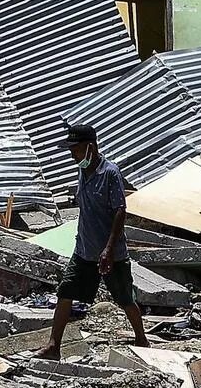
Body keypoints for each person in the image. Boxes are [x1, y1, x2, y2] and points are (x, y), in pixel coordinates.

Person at [36, 125, 148, 360]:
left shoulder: (110, 173)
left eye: (76, 150)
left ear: (90, 147)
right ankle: (53, 346)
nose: (73, 155)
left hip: (110, 253)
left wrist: (108, 249)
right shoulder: (82, 170)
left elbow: (120, 211)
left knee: (124, 297)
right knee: (65, 292)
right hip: (84, 249)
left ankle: (142, 339)